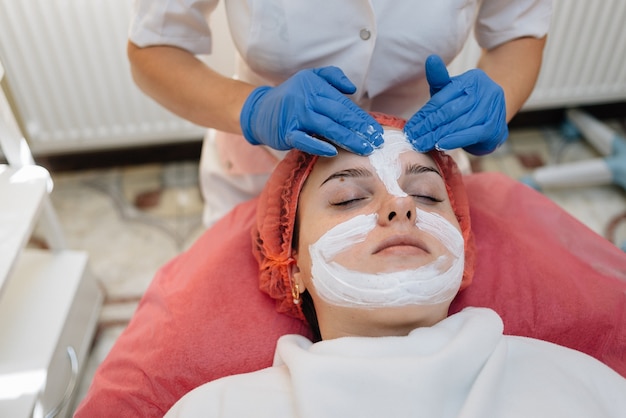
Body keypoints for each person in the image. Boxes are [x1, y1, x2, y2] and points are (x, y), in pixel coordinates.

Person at [162, 114, 626, 417]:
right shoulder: (219, 409)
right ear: (291, 267)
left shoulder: (578, 383)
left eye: (426, 196)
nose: (401, 207)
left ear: (462, 244)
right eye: (346, 198)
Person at [127, 0, 552, 226]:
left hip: (423, 160)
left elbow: (518, 33)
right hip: (265, 164)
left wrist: (499, 97)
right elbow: (155, 48)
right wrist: (253, 109)